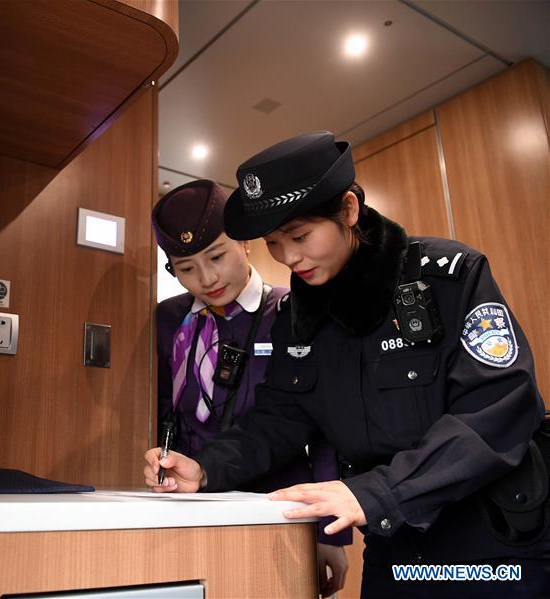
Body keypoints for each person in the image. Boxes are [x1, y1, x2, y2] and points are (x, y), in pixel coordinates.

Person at [144, 133, 549, 597]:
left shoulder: (448, 276)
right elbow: (279, 418)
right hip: (395, 542)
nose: (289, 258)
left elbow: (500, 409)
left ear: (350, 211)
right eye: (275, 242)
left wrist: (379, 491)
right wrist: (206, 468)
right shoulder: (299, 316)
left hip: (493, 539)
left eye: (299, 236)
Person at [151, 179, 350, 596]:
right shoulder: (170, 319)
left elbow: (328, 427)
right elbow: (163, 407)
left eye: (217, 256)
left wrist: (330, 536)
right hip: (193, 504)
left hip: (280, 507)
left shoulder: (293, 312)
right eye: (186, 268)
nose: (206, 278)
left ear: (244, 243)